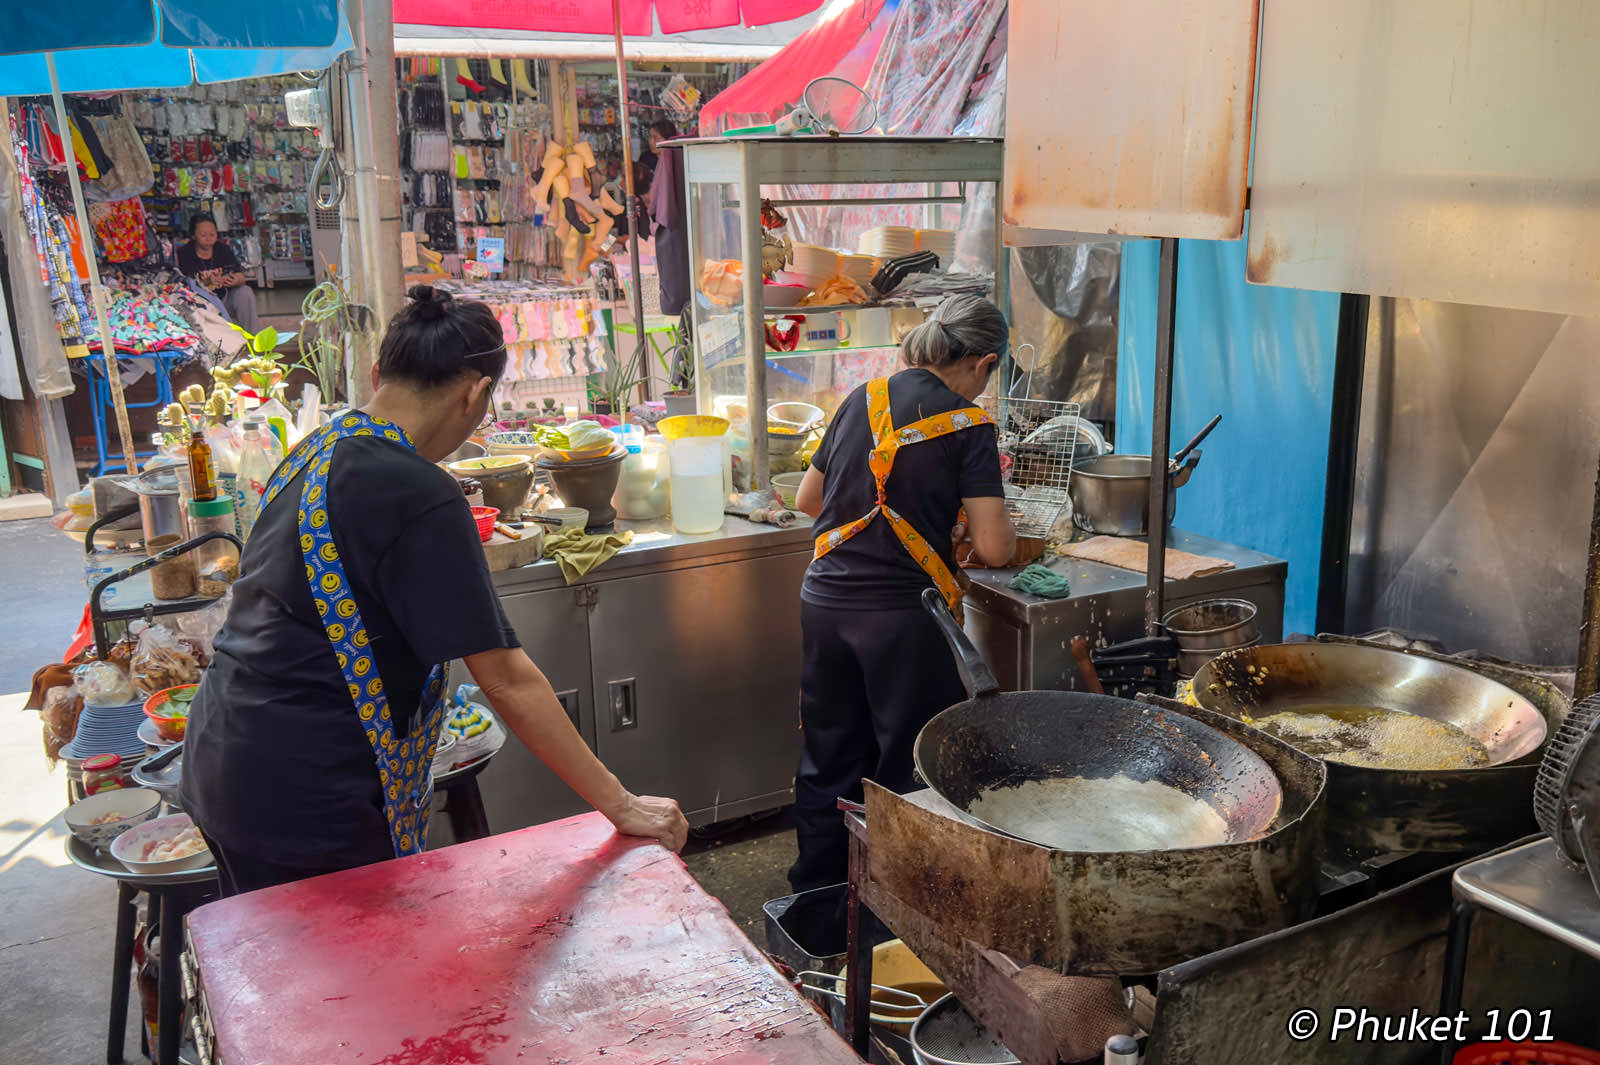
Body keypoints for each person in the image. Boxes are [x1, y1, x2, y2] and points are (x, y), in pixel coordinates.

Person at [180, 286, 688, 895]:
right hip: (307, 792)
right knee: (346, 953)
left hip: (221, 754)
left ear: (379, 373)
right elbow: (506, 678)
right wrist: (622, 804)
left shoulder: (311, 452)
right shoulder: (420, 490)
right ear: (476, 392)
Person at [787, 293, 1016, 892]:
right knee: (908, 767)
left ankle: (819, 898)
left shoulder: (860, 397)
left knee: (829, 755)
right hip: (901, 620)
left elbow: (807, 501)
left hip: (825, 604)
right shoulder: (969, 424)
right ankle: (898, 907)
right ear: (984, 363)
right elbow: (996, 549)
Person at [176, 213, 262, 332]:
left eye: (212, 234)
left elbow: (241, 277)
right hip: (200, 306)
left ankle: (255, 336)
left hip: (225, 301)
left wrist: (236, 280)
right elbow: (184, 286)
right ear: (193, 235)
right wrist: (206, 282)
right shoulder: (185, 254)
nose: (208, 238)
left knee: (245, 291)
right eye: (203, 235)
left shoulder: (223, 250)